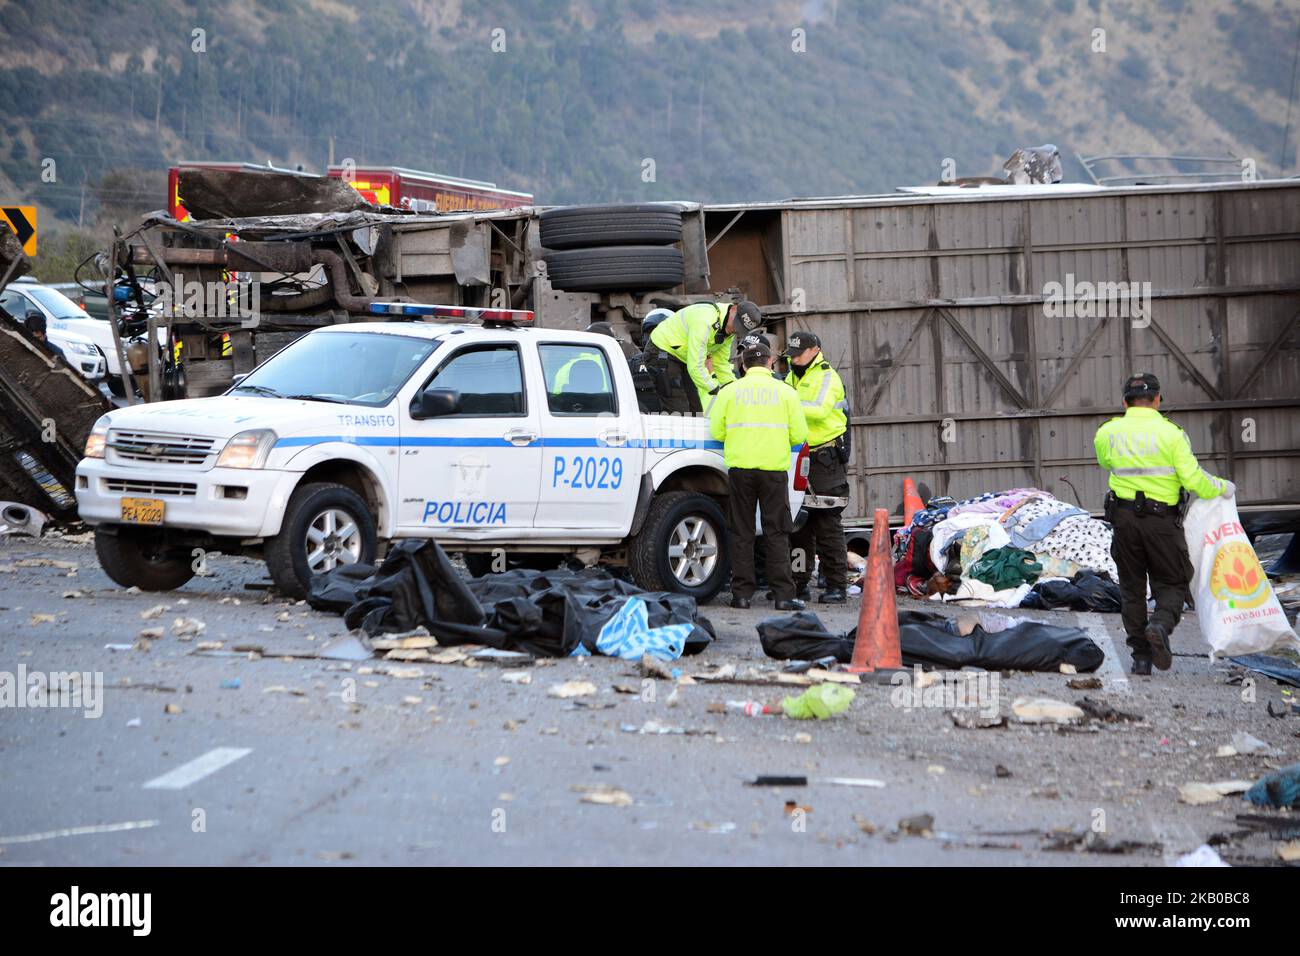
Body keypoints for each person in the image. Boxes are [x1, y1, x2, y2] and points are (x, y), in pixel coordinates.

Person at [1094, 373, 1234, 675]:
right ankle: (1159, 625)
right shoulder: (1173, 434)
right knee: (1172, 582)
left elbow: (1105, 462)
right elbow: (1193, 480)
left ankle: (1141, 659)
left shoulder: (1107, 432)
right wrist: (1223, 487)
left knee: (1132, 589)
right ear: (1158, 399)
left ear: (1124, 402)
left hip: (1124, 520)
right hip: (1161, 522)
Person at [710, 341, 808, 611]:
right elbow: (799, 435)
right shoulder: (786, 392)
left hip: (740, 470)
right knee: (777, 532)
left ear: (743, 365)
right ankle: (783, 596)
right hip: (774, 471)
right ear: (770, 363)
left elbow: (717, 432)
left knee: (741, 531)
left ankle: (741, 595)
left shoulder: (730, 392)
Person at [783, 331, 851, 603]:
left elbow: (819, 410)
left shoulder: (827, 376)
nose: (794, 359)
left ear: (815, 351)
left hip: (825, 458)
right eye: (792, 354)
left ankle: (837, 586)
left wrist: (784, 402)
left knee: (827, 524)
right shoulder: (793, 376)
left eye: (799, 354)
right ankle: (799, 584)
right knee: (799, 526)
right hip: (800, 457)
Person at [650, 299, 763, 414]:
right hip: (661, 350)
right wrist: (717, 389)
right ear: (733, 308)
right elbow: (695, 367)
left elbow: (721, 364)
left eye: (739, 329)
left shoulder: (729, 332)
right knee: (679, 410)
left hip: (681, 357)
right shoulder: (705, 320)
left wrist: (733, 389)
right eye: (735, 324)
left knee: (696, 410)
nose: (734, 329)